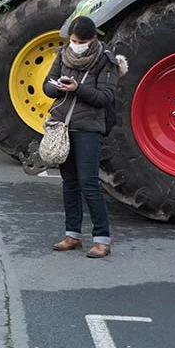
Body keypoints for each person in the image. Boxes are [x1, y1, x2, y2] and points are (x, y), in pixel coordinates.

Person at [43, 16, 128, 259]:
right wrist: (57, 87)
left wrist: (77, 89)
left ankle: (102, 239)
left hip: (89, 128)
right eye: (72, 40)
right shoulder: (63, 54)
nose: (75, 45)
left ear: (92, 40)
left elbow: (105, 98)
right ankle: (73, 235)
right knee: (69, 183)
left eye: (80, 41)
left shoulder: (105, 60)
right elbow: (46, 88)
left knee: (89, 183)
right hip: (64, 126)